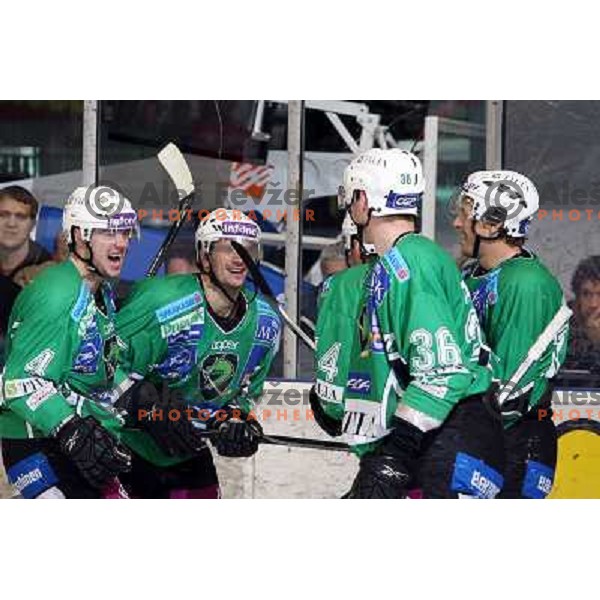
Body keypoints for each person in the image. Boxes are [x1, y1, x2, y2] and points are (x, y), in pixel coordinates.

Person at [332, 148, 502, 499]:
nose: (348, 206)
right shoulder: (408, 257)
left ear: (363, 199)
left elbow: (445, 372)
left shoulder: (408, 263)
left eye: (350, 196)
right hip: (449, 437)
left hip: (454, 440)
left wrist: (396, 452)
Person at [115, 209, 281, 498]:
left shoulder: (265, 323)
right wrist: (142, 402)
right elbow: (101, 368)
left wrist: (235, 422)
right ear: (204, 257)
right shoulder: (162, 301)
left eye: (248, 248)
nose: (239, 257)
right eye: (227, 247)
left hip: (186, 447)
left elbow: (242, 395)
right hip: (126, 445)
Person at [0, 186, 138, 498]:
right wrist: (70, 427)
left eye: (124, 232)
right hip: (35, 442)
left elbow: (94, 366)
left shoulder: (97, 289)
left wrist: (136, 397)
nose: (121, 242)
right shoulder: (58, 293)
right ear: (78, 235)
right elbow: (18, 381)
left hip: (67, 437)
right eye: (106, 232)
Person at [453, 170, 569, 498]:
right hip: (486, 437)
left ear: (491, 223)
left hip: (516, 446)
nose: (457, 224)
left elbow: (510, 391)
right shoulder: (472, 274)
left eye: (464, 214)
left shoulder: (526, 283)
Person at [564, 255, 600, 372]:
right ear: (577, 296)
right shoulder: (561, 322)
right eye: (586, 294)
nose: (593, 304)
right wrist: (594, 340)